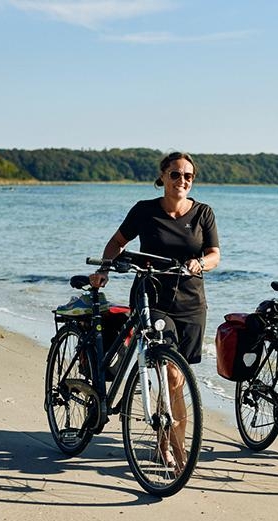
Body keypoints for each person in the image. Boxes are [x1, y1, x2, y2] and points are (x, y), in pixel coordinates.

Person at [89, 151, 220, 473]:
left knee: (179, 376)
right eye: (175, 174)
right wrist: (106, 268)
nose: (182, 181)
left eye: (188, 176)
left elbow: (215, 254)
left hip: (191, 303)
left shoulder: (203, 213)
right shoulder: (144, 211)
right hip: (152, 298)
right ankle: (177, 452)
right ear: (162, 177)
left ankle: (166, 440)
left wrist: (200, 263)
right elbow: (118, 241)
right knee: (172, 375)